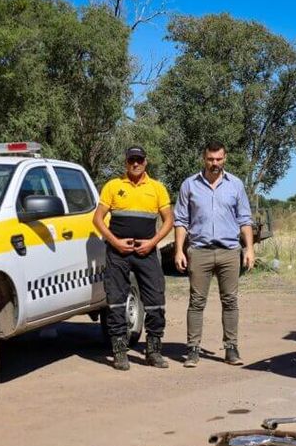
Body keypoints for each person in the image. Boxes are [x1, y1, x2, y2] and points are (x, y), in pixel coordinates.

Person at [173, 142, 254, 367]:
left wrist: (249, 249)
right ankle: (193, 350)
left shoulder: (235, 185)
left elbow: (245, 219)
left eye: (218, 159)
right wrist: (179, 250)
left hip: (229, 250)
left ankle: (231, 348)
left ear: (224, 159)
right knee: (196, 301)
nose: (214, 163)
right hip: (199, 251)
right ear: (204, 158)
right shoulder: (189, 185)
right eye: (210, 159)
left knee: (230, 301)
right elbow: (181, 220)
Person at [93, 146, 174, 371]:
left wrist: (153, 242)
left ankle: (154, 351)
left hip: (147, 253)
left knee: (156, 301)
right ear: (126, 162)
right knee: (116, 301)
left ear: (145, 162)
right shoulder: (113, 186)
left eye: (139, 160)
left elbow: (169, 220)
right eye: (131, 161)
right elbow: (97, 219)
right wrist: (114, 242)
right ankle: (119, 352)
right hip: (118, 253)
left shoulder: (157, 188)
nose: (135, 164)